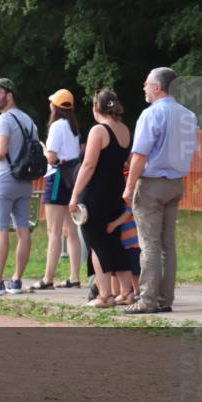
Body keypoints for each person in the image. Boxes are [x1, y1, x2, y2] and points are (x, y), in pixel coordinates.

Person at [123, 67, 199, 315]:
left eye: (146, 84)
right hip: (176, 183)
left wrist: (129, 186)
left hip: (152, 184)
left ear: (157, 87)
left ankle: (147, 299)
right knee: (168, 244)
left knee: (150, 244)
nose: (144, 88)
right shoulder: (189, 115)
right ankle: (165, 299)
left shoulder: (151, 114)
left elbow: (140, 155)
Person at [68, 89, 134, 307]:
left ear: (96, 107)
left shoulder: (98, 131)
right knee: (115, 241)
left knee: (96, 243)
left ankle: (104, 295)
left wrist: (75, 195)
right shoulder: (124, 129)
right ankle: (126, 293)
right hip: (116, 190)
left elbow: (88, 165)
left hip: (96, 193)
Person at [0, 78, 39, 296]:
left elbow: (1, 151)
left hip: (4, 180)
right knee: (23, 230)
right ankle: (17, 280)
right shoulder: (30, 121)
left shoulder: (4, 119)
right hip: (25, 181)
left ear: (9, 95)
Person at [34, 89, 82, 290]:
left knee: (53, 231)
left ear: (55, 106)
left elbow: (52, 158)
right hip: (73, 178)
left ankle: (48, 278)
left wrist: (43, 150)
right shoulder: (74, 128)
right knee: (71, 230)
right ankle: (74, 277)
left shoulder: (56, 126)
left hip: (57, 177)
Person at [107, 203, 141, 302]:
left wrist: (114, 224)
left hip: (133, 242)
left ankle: (137, 292)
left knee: (135, 270)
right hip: (120, 242)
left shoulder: (128, 201)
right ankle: (116, 293)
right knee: (115, 270)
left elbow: (128, 213)